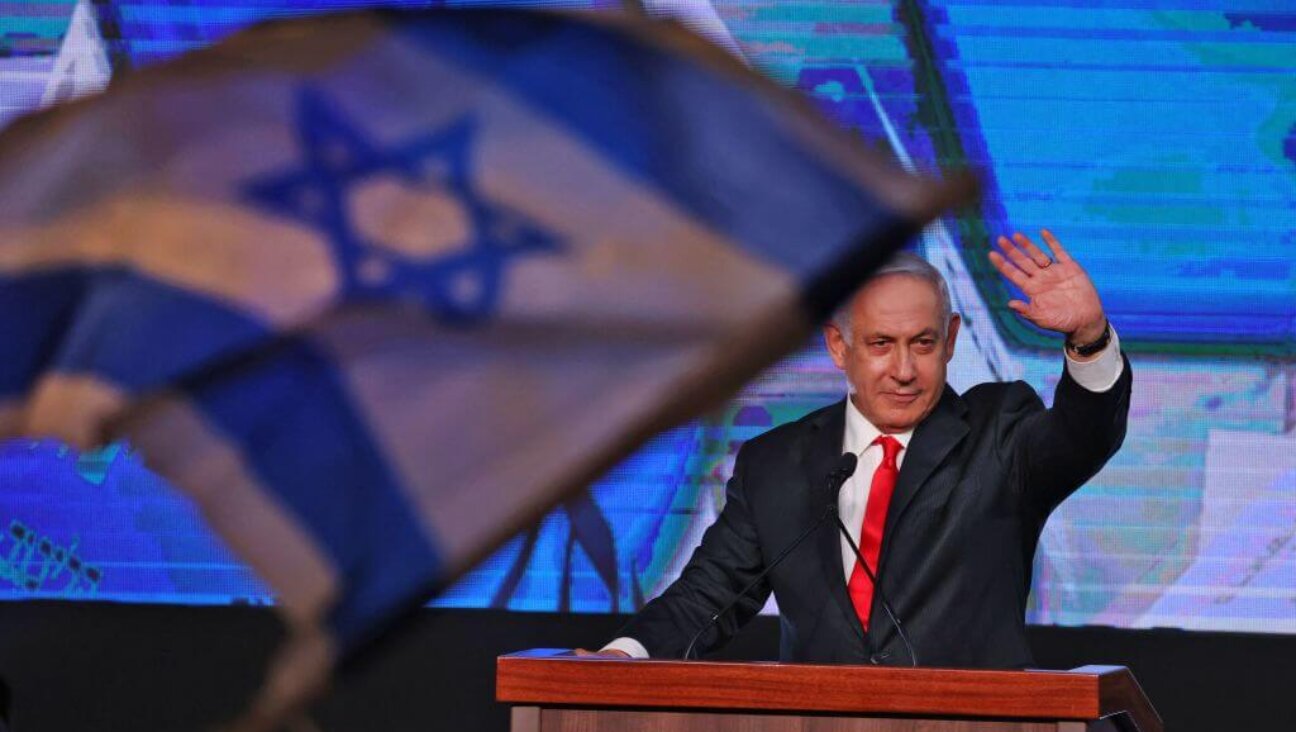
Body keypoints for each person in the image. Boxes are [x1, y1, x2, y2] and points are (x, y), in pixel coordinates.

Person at [587, 230, 1131, 669]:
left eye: (922, 343)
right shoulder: (776, 464)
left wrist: (1088, 338)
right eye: (880, 345)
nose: (903, 370)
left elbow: (1082, 438)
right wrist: (617, 659)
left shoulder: (1000, 433)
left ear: (951, 340)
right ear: (838, 346)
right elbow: (707, 598)